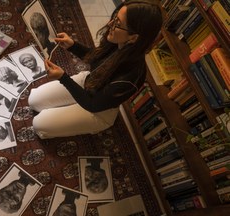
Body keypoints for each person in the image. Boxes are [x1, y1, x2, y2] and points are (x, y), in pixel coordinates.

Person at [28, 0, 163, 139]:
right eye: (115, 17)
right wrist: (72, 45)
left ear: (134, 37)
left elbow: (92, 105)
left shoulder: (131, 77)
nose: (110, 24)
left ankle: (97, 124)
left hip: (98, 110)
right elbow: (96, 58)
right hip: (91, 81)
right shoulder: (116, 41)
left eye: (118, 24)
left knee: (39, 124)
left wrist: (63, 78)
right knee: (33, 101)